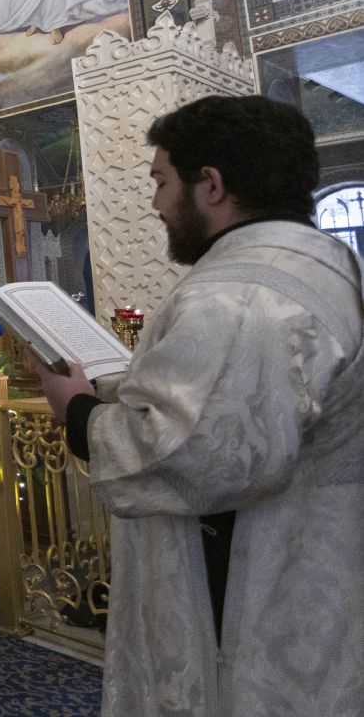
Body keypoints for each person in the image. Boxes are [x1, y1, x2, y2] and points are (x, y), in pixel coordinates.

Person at [33, 95, 363, 716]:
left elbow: (199, 455)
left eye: (161, 180)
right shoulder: (323, 264)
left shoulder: (239, 295)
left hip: (255, 594)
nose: (156, 203)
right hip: (320, 560)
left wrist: (76, 411)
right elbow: (244, 397)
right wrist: (118, 389)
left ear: (210, 184)